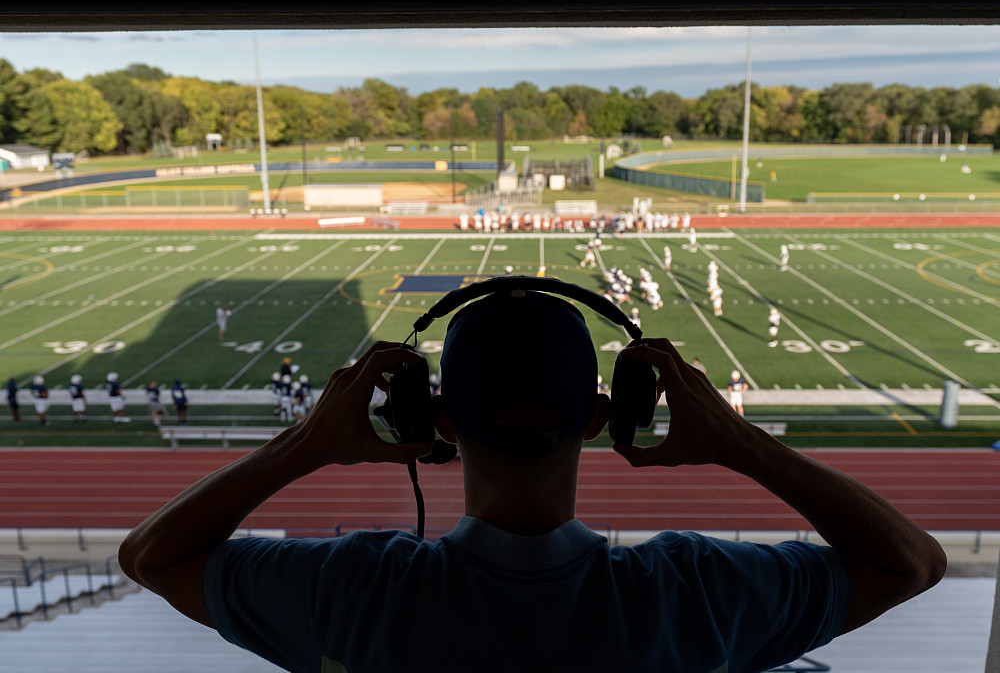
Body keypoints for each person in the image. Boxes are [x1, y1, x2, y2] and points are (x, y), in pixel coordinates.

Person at [119, 286, 946, 673]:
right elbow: (909, 565)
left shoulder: (350, 590)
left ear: (432, 422)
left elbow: (151, 557)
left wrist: (300, 445)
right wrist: (741, 442)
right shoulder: (695, 593)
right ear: (602, 416)